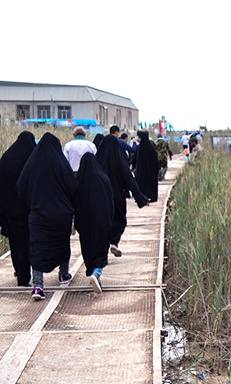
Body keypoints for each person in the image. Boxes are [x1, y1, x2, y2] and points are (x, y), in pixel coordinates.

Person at [16, 132, 78, 300]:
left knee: (37, 247)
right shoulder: (61, 164)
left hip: (38, 215)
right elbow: (73, 187)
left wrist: (33, 202)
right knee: (62, 244)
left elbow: (20, 187)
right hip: (61, 216)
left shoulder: (33, 164)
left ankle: (38, 287)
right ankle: (63, 274)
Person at [97, 128, 149, 258]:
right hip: (118, 197)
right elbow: (130, 181)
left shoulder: (97, 161)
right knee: (119, 221)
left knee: (103, 223)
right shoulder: (120, 161)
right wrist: (141, 199)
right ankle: (114, 243)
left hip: (101, 198)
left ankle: (103, 248)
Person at [0, 130, 36, 287]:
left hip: (11, 211)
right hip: (30, 209)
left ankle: (21, 274)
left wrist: (7, 201)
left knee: (17, 244)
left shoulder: (7, 157)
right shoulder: (33, 156)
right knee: (32, 241)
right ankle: (33, 274)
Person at [73, 153, 113, 293]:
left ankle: (92, 271)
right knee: (101, 248)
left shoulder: (78, 180)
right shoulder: (104, 178)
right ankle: (96, 273)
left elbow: (74, 203)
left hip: (84, 222)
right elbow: (110, 202)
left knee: (88, 248)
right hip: (102, 221)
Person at [134, 130, 159, 203]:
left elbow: (137, 160)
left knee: (142, 184)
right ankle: (152, 197)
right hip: (151, 171)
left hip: (142, 171)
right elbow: (155, 160)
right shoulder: (150, 148)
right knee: (151, 184)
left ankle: (143, 197)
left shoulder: (140, 147)